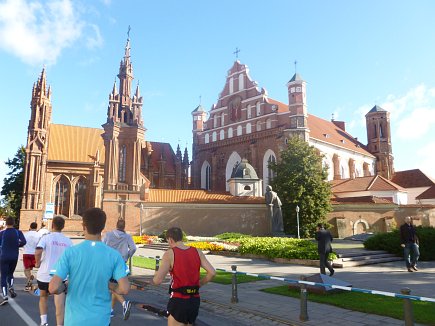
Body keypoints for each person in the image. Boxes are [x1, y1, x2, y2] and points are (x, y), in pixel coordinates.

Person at [49, 208, 130, 326]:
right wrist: (109, 285)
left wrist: (66, 286)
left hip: (74, 320)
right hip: (101, 320)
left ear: (83, 226)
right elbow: (124, 289)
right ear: (103, 227)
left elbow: (53, 288)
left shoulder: (70, 253)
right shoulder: (114, 255)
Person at [153, 227, 216, 326]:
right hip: (194, 299)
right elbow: (212, 272)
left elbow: (157, 281)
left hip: (178, 299)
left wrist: (156, 271)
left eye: (168, 241)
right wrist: (199, 284)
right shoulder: (197, 251)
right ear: (181, 237)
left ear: (170, 239)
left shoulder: (170, 253)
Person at [35, 216, 73, 326]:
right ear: (63, 226)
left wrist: (37, 263)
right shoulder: (68, 241)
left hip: (44, 275)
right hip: (60, 276)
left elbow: (38, 251)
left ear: (52, 225)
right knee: (60, 304)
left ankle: (44, 322)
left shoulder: (46, 238)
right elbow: (71, 259)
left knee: (43, 297)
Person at [103, 219, 137, 320]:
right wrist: (127, 256)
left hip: (109, 264)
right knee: (116, 286)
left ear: (116, 225)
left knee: (110, 286)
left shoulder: (108, 235)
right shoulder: (127, 237)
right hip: (121, 264)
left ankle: (124, 303)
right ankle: (110, 310)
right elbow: (134, 248)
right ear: (124, 226)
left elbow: (102, 246)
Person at [0, 216, 26, 305]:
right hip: (14, 256)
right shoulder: (18, 232)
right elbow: (24, 242)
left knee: (3, 275)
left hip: (3, 256)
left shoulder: (2, 233)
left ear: (6, 223)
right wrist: (17, 245)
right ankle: (11, 286)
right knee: (10, 273)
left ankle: (4, 296)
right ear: (14, 223)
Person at [23, 222, 41, 291]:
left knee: (27, 269)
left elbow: (22, 242)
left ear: (30, 227)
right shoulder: (39, 235)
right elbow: (40, 245)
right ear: (36, 227)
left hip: (26, 253)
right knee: (36, 267)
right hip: (35, 253)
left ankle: (29, 278)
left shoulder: (25, 234)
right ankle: (37, 280)